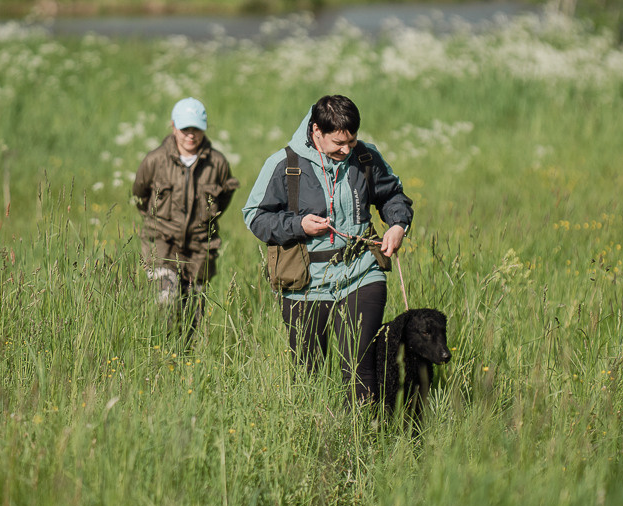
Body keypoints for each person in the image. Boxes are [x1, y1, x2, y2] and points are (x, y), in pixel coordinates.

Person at [243, 94, 413, 403]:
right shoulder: (283, 164)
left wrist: (398, 225)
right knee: (308, 372)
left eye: (352, 141)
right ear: (316, 131)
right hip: (305, 284)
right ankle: (317, 428)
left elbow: (392, 196)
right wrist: (298, 225)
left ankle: (363, 429)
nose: (346, 150)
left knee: (361, 368)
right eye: (338, 143)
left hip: (362, 272)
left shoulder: (366, 157)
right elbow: (255, 217)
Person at [133, 97, 239, 333]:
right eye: (185, 129)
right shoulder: (154, 160)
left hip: (200, 247)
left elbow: (225, 196)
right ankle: (164, 348)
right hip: (162, 242)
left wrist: (205, 221)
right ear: (173, 127)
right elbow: (140, 196)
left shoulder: (217, 163)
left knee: (194, 309)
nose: (191, 135)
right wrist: (158, 222)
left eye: (196, 129)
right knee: (167, 300)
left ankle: (187, 352)